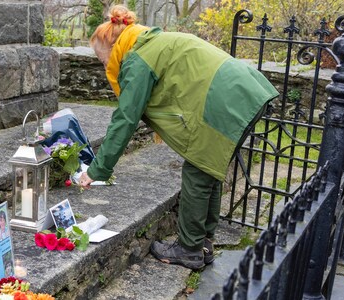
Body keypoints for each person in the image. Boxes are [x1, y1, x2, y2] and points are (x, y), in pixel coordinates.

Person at [78, 5, 279, 270]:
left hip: (227, 100)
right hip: (244, 92)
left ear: (114, 48)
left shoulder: (137, 58)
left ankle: (189, 249)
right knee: (208, 170)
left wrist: (98, 169)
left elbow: (126, 118)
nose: (105, 66)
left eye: (103, 60)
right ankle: (203, 243)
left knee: (198, 172)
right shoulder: (151, 42)